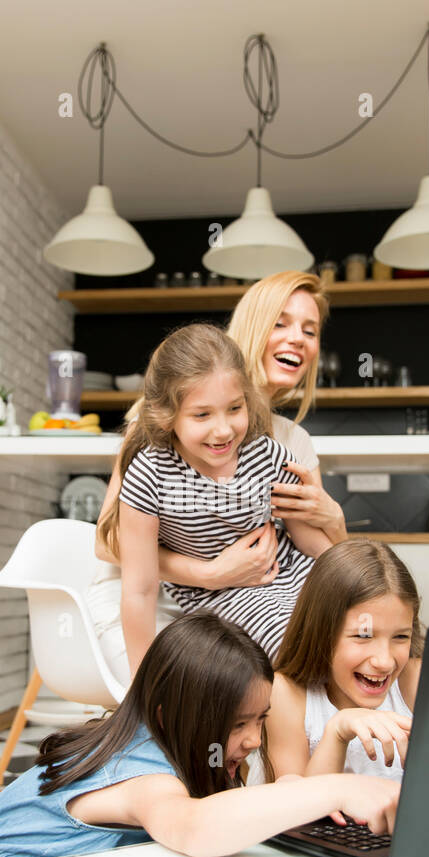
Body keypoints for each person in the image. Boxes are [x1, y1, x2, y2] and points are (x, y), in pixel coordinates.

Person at [0, 614, 399, 857]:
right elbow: (193, 827)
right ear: (170, 715)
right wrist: (336, 789)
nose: (253, 739)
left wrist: (302, 786)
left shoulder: (184, 740)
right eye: (238, 724)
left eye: (260, 720)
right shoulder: (144, 776)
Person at [89, 270, 347, 684]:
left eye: (310, 329)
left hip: (263, 594)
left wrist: (334, 522)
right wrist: (210, 574)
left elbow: (317, 546)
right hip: (165, 597)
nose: (297, 337)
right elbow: (110, 541)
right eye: (280, 322)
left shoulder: (287, 442)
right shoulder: (163, 425)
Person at [260, 540, 423, 812]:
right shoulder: (287, 695)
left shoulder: (414, 681)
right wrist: (337, 732)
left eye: (400, 637)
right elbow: (296, 815)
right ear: (322, 632)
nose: (384, 661)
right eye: (363, 636)